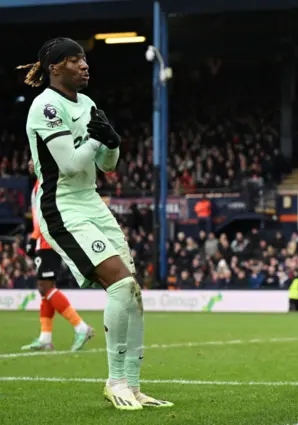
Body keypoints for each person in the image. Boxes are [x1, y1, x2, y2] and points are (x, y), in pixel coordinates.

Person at [19, 37, 172, 410]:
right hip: (61, 206)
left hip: (91, 201)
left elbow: (106, 165)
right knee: (120, 283)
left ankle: (132, 386)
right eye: (75, 60)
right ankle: (115, 381)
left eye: (85, 59)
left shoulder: (87, 104)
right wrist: (95, 136)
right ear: (55, 68)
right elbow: (71, 164)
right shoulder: (46, 106)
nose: (85, 66)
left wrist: (113, 143)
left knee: (132, 291)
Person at [22, 161, 94, 352]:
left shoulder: (45, 183)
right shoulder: (40, 183)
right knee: (45, 288)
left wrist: (34, 236)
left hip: (47, 239)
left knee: (45, 286)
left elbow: (46, 214)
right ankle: (45, 337)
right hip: (46, 239)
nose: (29, 163)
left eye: (32, 159)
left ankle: (81, 327)